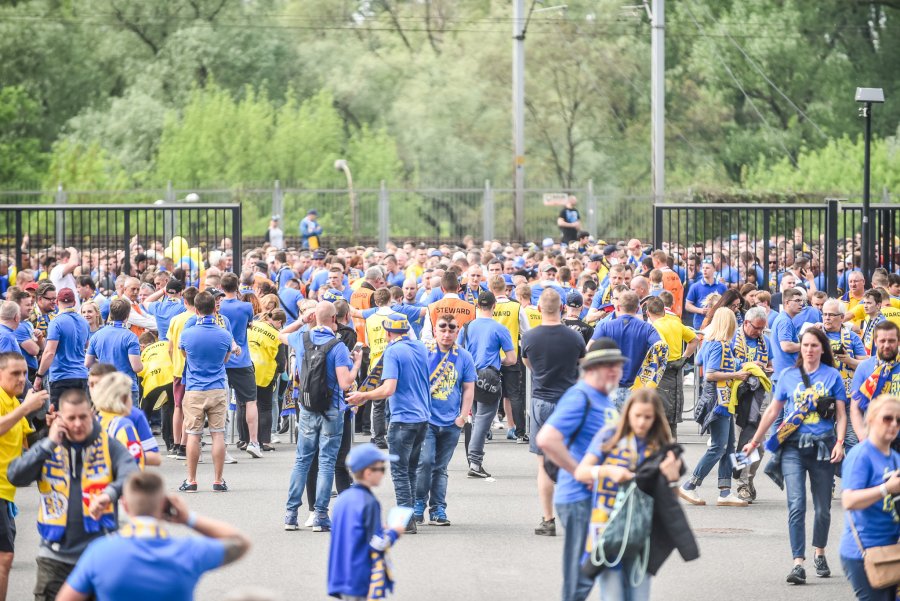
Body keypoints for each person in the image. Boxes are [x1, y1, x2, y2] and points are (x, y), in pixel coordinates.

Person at [8, 388, 138, 601]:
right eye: (71, 418)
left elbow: (131, 473)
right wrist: (49, 444)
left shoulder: (108, 445)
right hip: (54, 558)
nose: (77, 424)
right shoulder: (46, 447)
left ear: (92, 415)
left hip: (99, 556)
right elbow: (16, 476)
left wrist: (110, 494)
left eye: (82, 417)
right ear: (60, 418)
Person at [742, 327, 847, 585]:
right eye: (806, 345)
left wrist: (841, 442)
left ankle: (819, 552)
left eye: (814, 345)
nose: (809, 350)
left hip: (823, 447)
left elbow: (842, 414)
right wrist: (755, 441)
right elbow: (771, 412)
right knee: (796, 505)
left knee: (822, 509)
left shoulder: (833, 376)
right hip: (793, 449)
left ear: (822, 349)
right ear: (800, 348)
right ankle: (797, 562)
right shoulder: (788, 376)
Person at [56, 470, 250, 601]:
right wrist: (188, 518)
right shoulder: (188, 551)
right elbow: (240, 542)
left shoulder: (99, 552)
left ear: (124, 505)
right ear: (165, 504)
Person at [573, 389, 685, 601]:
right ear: (628, 414)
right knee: (612, 596)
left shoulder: (661, 446)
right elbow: (581, 472)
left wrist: (672, 479)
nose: (642, 422)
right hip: (607, 528)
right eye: (637, 416)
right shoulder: (609, 436)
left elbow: (671, 500)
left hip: (642, 532)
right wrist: (607, 471)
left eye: (648, 417)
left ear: (656, 418)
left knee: (639, 595)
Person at [536, 340, 625, 601]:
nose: (615, 372)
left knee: (602, 565)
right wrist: (578, 471)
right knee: (582, 572)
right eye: (608, 366)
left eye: (617, 367)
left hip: (601, 496)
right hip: (579, 497)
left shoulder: (603, 399)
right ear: (592, 368)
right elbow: (547, 439)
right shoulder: (581, 396)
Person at [282, 302, 362, 532]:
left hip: (307, 406)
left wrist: (302, 320)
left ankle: (291, 513)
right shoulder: (336, 347)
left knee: (302, 460)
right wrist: (356, 364)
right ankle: (320, 515)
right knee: (327, 461)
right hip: (331, 409)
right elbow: (346, 382)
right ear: (334, 319)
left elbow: (280, 335)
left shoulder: (303, 338)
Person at [347, 314, 430, 533]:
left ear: (388, 333)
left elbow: (388, 388)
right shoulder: (420, 347)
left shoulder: (393, 351)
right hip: (422, 417)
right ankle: (410, 515)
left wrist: (362, 397)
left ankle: (406, 520)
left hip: (403, 418)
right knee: (411, 470)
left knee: (400, 472)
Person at [522, 289, 586, 537]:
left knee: (544, 463)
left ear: (539, 309)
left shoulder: (530, 337)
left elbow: (529, 365)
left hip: (541, 400)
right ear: (561, 308)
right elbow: (581, 362)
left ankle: (548, 519)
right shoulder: (575, 337)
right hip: (569, 401)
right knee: (573, 460)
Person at [678, 307, 749, 507]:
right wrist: (736, 374)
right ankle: (690, 484)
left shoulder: (710, 343)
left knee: (727, 447)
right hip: (719, 400)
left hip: (720, 399)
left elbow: (700, 361)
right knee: (719, 447)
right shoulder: (720, 345)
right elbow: (710, 373)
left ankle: (725, 491)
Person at [413, 314, 475, 526]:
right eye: (443, 329)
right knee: (426, 462)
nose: (447, 334)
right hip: (427, 420)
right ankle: (418, 502)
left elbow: (468, 388)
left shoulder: (464, 357)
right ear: (435, 331)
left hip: (451, 422)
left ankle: (438, 509)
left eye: (452, 330)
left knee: (440, 468)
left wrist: (463, 416)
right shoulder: (424, 353)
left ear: (457, 332)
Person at [839, 394, 900, 601]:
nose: (893, 424)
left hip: (892, 550)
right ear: (871, 418)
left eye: (899, 420)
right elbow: (849, 501)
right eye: (887, 418)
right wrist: (885, 488)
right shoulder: (860, 455)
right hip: (864, 553)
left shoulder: (894, 458)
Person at [328, 444, 405, 601]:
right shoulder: (369, 502)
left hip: (341, 573)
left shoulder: (343, 498)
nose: (384, 474)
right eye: (381, 469)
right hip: (360, 576)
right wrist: (394, 532)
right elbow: (377, 543)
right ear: (368, 473)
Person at [0, 352, 47, 600]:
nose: (21, 379)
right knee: (4, 558)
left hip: (6, 491)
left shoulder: (13, 401)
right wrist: (25, 408)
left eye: (23, 373)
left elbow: (26, 443)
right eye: (14, 374)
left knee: (5, 558)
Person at [178, 290, 234, 493]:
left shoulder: (187, 333)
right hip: (217, 387)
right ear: (214, 308)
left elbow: (184, 355)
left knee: (193, 434)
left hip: (195, 388)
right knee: (218, 434)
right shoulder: (224, 334)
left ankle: (191, 480)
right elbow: (226, 359)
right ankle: (218, 480)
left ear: (196, 308)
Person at [458, 291, 516, 479]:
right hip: (488, 376)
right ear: (494, 306)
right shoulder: (499, 328)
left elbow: (457, 353)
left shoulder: (466, 327)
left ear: (477, 305)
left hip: (468, 376)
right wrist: (497, 361)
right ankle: (475, 461)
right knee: (483, 419)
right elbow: (512, 359)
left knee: (476, 417)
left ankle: (473, 459)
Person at [588, 291, 666, 409]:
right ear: (638, 308)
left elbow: (589, 349)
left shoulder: (605, 326)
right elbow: (661, 348)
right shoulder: (647, 328)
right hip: (637, 390)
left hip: (610, 389)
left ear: (618, 307)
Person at [219, 273, 262, 458]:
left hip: (222, 358)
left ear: (221, 287)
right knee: (251, 401)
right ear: (237, 286)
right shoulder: (246, 306)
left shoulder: (218, 306)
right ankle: (253, 442)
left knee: (221, 403)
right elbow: (250, 324)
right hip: (242, 359)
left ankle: (223, 445)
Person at [647, 297, 698, 439]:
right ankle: (672, 445)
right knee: (672, 414)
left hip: (661, 370)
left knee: (660, 413)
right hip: (676, 368)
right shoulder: (675, 323)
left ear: (648, 312)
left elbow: (659, 347)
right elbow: (694, 340)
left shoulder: (653, 327)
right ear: (664, 310)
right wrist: (684, 357)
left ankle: (665, 448)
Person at [488, 274, 530, 443]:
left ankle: (486, 430)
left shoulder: (486, 306)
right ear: (505, 288)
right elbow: (526, 332)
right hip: (511, 355)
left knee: (488, 394)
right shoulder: (516, 307)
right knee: (514, 394)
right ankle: (519, 432)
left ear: (491, 289)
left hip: (491, 357)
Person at [34, 288, 89, 409]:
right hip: (82, 376)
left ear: (58, 302)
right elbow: (87, 347)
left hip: (62, 378)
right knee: (79, 417)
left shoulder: (56, 322)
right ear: (74, 303)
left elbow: (49, 353)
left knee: (60, 419)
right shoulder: (84, 322)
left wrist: (39, 376)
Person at [850, 321, 900, 449]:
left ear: (898, 342)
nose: (887, 345)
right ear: (875, 342)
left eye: (891, 341)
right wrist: (863, 437)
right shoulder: (864, 367)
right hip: (875, 437)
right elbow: (855, 408)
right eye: (882, 341)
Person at [84, 298, 143, 404]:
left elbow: (88, 363)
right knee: (128, 420)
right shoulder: (131, 337)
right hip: (126, 387)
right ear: (127, 315)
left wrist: (104, 362)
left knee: (108, 420)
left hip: (105, 386)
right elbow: (137, 367)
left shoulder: (97, 335)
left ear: (110, 314)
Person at [165, 286, 198, 461]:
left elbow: (170, 347)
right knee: (189, 409)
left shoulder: (176, 319)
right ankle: (185, 443)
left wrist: (173, 361)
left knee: (178, 407)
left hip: (177, 368)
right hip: (192, 369)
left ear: (184, 301)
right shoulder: (197, 318)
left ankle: (176, 443)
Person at [247, 308, 286, 452]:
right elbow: (281, 363)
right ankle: (265, 441)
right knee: (265, 407)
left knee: (245, 405)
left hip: (247, 368)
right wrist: (279, 372)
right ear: (280, 322)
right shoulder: (277, 335)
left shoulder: (253, 325)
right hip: (264, 373)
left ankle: (246, 440)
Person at [90, 372, 146, 469]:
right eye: (129, 395)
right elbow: (134, 462)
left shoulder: (93, 423)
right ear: (123, 399)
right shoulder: (125, 426)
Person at [137, 331, 175, 454]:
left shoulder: (143, 354)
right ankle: (171, 444)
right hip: (171, 378)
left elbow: (140, 377)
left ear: (142, 346)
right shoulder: (164, 344)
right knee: (171, 410)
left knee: (143, 414)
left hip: (153, 383)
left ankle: (141, 444)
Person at [684, 258, 726, 330]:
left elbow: (727, 303)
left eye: (707, 268)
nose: (704, 270)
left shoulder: (722, 287)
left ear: (714, 269)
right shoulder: (695, 286)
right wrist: (700, 310)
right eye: (703, 268)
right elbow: (687, 305)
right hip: (700, 325)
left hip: (718, 324)